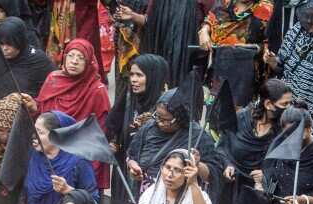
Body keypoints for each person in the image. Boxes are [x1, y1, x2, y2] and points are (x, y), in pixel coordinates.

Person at [125, 91, 223, 191]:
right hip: (145, 194)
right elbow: (131, 156)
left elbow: (213, 174)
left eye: (166, 120)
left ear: (180, 118)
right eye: (157, 117)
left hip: (181, 196)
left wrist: (197, 165)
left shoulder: (198, 137)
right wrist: (133, 167)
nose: (160, 123)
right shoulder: (149, 127)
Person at [22, 112, 100, 204]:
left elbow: (94, 203)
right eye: (34, 130)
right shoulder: (34, 157)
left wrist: (68, 190)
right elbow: (29, 192)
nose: (34, 136)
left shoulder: (79, 162)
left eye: (40, 132)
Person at [107, 55, 170, 193]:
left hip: (152, 172)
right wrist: (114, 141)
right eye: (132, 75)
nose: (133, 80)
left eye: (139, 75)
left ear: (153, 77)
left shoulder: (166, 107)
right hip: (125, 165)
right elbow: (113, 122)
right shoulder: (129, 97)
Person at [36, 39, 110, 128]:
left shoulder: (97, 90)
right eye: (70, 56)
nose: (74, 61)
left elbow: (102, 126)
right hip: (49, 135)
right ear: (65, 57)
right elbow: (41, 110)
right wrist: (32, 106)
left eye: (81, 58)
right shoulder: (54, 79)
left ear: (89, 62)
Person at [0, 18, 56, 104]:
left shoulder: (38, 61)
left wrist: (35, 104)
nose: (4, 48)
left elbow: (53, 90)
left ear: (20, 41)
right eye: (1, 44)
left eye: (9, 44)